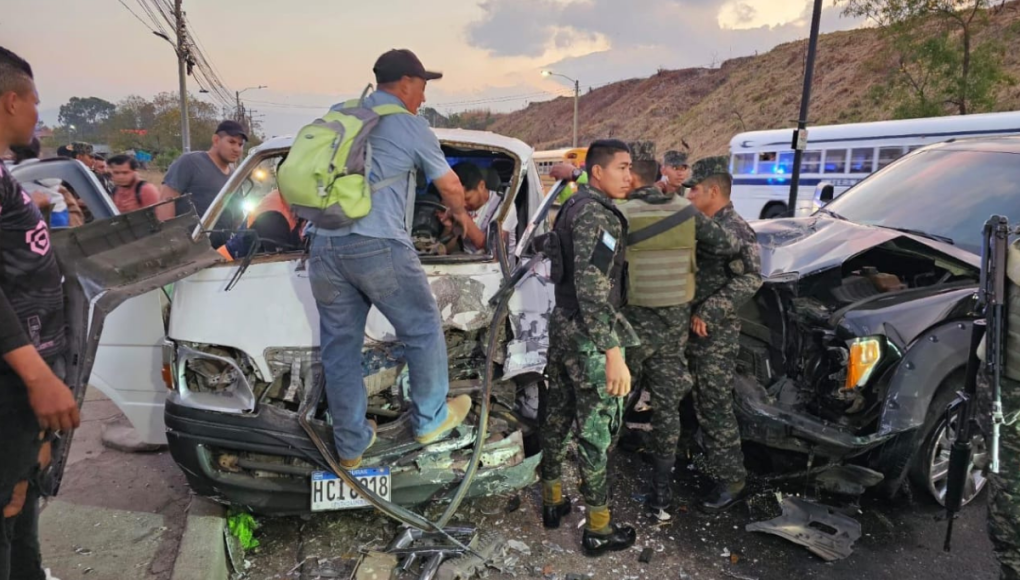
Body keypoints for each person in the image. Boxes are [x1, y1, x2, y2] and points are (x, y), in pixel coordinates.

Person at [306, 48, 473, 469]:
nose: (423, 95)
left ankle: (351, 446)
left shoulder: (341, 115)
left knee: (339, 348)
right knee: (421, 328)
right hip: (378, 242)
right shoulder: (410, 125)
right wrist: (459, 215)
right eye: (422, 85)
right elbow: (451, 185)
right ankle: (432, 418)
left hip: (324, 246)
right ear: (405, 83)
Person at [617, 142, 738, 520]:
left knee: (616, 402)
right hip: (673, 334)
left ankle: (602, 488)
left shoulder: (620, 213)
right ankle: (661, 494)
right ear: (661, 175)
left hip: (639, 332)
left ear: (633, 177)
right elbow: (726, 246)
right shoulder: (685, 213)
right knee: (668, 410)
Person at [0, 45, 81, 580]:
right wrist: (37, 376)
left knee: (21, 502)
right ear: (10, 101)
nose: (38, 115)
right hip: (12, 382)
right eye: (35, 103)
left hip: (22, 391)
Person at [539, 139, 638, 556]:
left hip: (563, 327)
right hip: (587, 335)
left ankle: (552, 500)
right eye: (622, 168)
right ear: (597, 171)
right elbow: (594, 291)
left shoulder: (573, 207)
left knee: (557, 416)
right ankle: (598, 528)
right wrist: (612, 351)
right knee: (596, 431)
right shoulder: (597, 216)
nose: (629, 177)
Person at [683, 158, 762, 513]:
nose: (689, 196)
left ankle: (733, 478)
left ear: (713, 191)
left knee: (714, 404)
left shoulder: (737, 230)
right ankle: (699, 455)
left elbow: (751, 278)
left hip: (716, 334)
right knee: (694, 397)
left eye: (694, 190)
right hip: (690, 327)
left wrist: (710, 310)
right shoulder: (706, 224)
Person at [160, 120, 247, 218]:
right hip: (191, 233)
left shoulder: (235, 177)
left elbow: (238, 215)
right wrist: (170, 233)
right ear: (216, 140)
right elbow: (166, 200)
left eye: (240, 144)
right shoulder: (190, 162)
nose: (237, 149)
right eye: (232, 142)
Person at [10, 138, 84, 228]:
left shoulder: (13, 172)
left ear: (14, 153)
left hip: (34, 219)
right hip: (60, 212)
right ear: (38, 152)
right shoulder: (49, 170)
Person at [436, 162, 489, 253]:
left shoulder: (504, 206)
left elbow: (490, 249)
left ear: (481, 186)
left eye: (467, 198)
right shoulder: (456, 206)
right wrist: (449, 228)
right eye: (459, 199)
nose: (462, 204)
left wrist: (459, 212)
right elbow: (446, 251)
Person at [108, 154, 171, 220]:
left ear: (134, 172)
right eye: (116, 173)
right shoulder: (115, 191)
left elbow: (159, 218)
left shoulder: (146, 190)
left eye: (125, 173)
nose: (121, 177)